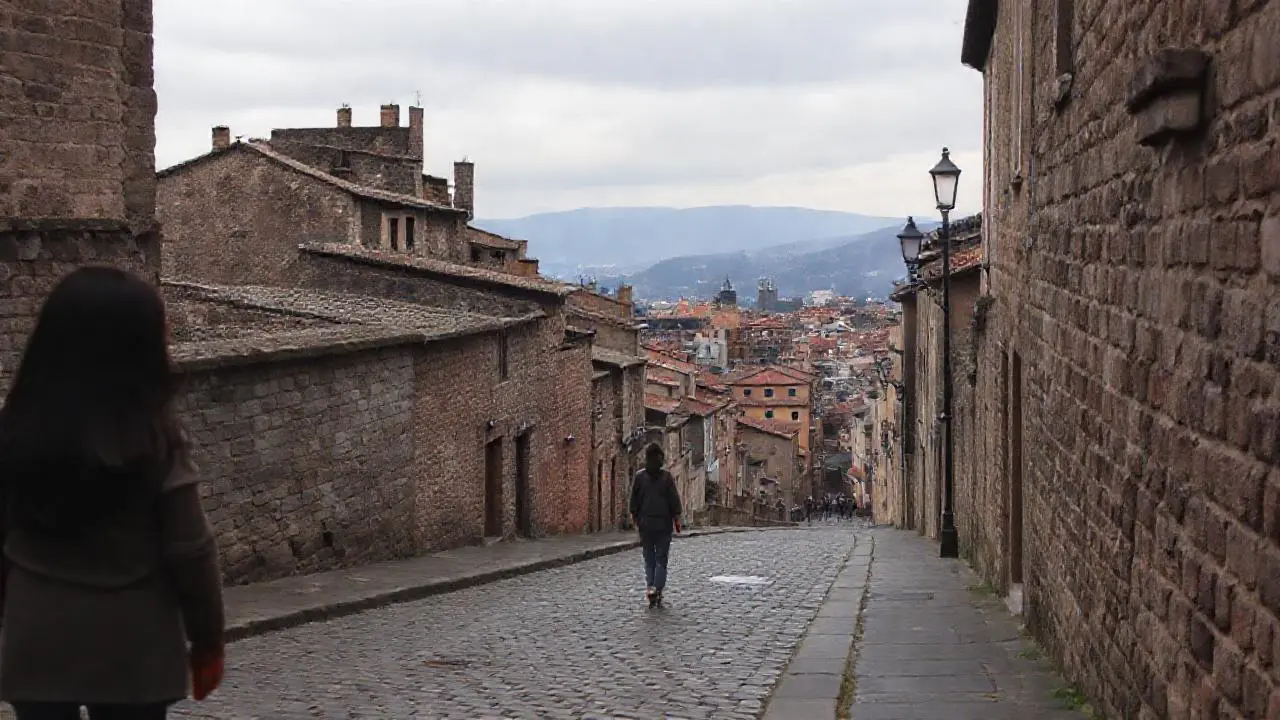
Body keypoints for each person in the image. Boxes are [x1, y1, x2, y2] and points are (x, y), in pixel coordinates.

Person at [0, 267, 226, 720]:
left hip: (38, 638)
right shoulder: (156, 441)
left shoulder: (14, 435)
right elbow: (191, 551)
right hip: (134, 647)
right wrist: (207, 642)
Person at [629, 443, 683, 607]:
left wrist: (635, 518)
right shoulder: (666, 477)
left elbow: (634, 501)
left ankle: (651, 586)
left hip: (645, 524)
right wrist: (677, 519)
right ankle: (657, 589)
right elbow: (674, 501)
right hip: (663, 524)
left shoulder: (639, 476)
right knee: (661, 559)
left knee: (649, 558)